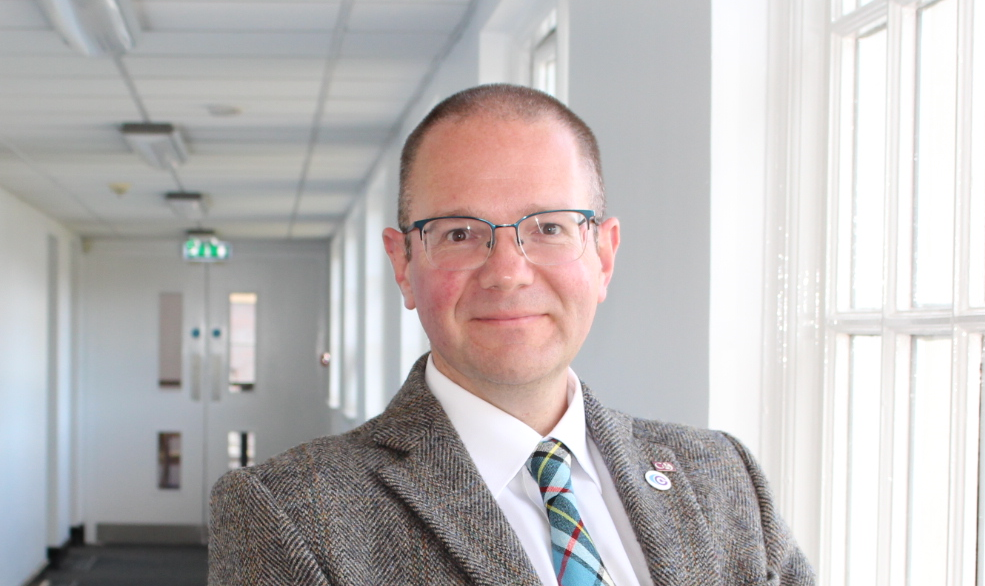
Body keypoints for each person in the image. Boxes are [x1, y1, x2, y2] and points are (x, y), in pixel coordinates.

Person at [209, 84, 816, 586]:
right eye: (458, 233)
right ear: (403, 266)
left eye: (550, 227)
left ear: (603, 256)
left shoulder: (722, 477)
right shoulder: (291, 514)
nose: (506, 273)